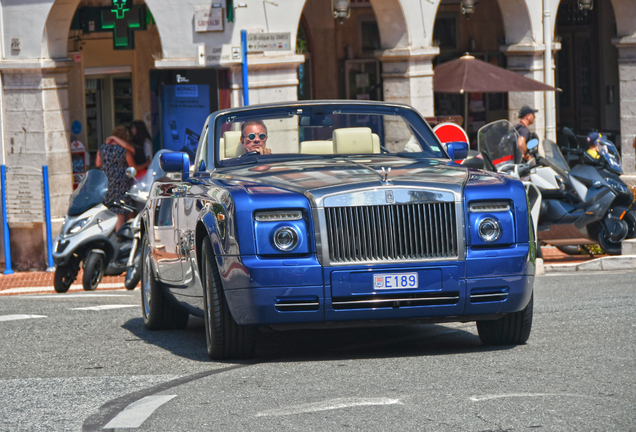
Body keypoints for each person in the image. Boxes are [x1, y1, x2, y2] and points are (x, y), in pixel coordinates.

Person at [95, 125, 136, 231]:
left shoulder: (102, 149)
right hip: (120, 184)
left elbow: (97, 163)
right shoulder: (124, 151)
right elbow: (133, 167)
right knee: (121, 212)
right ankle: (119, 237)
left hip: (106, 183)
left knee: (108, 210)